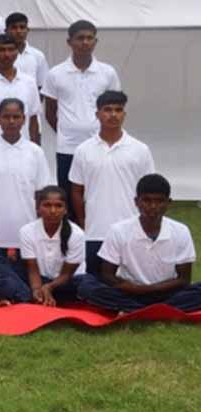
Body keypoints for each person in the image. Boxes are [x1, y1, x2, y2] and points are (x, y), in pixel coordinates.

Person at [78, 174, 201, 313]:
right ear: (136, 202)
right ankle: (157, 310)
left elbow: (184, 279)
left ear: (168, 202)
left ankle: (136, 310)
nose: (153, 206)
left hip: (167, 292)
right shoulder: (118, 230)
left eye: (159, 201)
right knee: (87, 286)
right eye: (147, 200)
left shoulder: (181, 231)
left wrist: (150, 289)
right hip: (130, 291)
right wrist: (135, 289)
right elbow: (107, 275)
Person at [69, 90, 154, 275]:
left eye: (118, 110)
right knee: (94, 282)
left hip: (131, 230)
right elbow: (76, 190)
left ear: (124, 114)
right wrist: (84, 222)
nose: (113, 114)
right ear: (97, 114)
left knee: (131, 280)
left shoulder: (140, 150)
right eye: (107, 110)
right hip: (95, 231)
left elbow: (148, 191)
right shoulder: (83, 150)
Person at [44, 20, 122, 208]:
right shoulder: (55, 74)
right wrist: (68, 131)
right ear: (69, 42)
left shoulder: (107, 72)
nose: (85, 42)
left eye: (89, 38)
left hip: (100, 145)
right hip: (67, 147)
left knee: (99, 193)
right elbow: (50, 112)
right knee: (69, 196)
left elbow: (115, 106)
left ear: (96, 42)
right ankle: (72, 228)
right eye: (80, 38)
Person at [0, 99, 52, 277]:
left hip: (27, 234)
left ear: (24, 119)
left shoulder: (35, 152)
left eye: (16, 117)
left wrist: (40, 230)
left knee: (28, 281)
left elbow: (41, 195)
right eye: (6, 117)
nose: (11, 121)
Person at [20, 186, 86, 306]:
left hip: (67, 283)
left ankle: (28, 296)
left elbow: (67, 274)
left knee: (87, 286)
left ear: (65, 209)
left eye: (59, 206)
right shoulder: (26, 231)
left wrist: (49, 287)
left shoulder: (77, 234)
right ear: (37, 208)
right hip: (40, 279)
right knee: (1, 265)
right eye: (47, 205)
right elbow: (32, 269)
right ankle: (37, 296)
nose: (53, 211)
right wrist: (37, 289)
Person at [4, 12, 49, 90]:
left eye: (22, 27)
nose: (18, 31)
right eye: (14, 27)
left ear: (27, 30)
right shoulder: (1, 56)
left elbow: (42, 85)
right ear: (6, 31)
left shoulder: (38, 56)